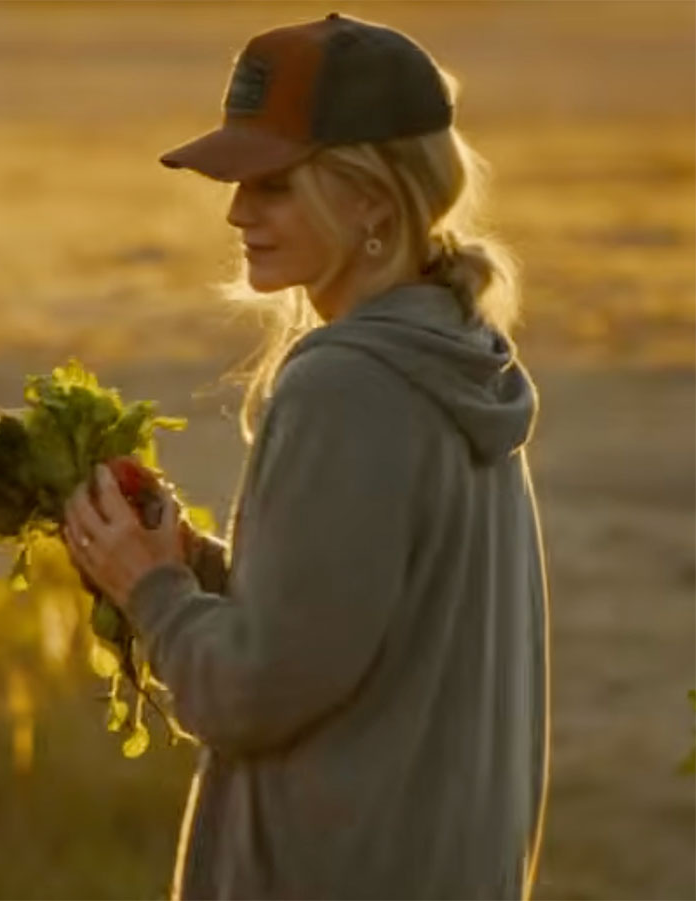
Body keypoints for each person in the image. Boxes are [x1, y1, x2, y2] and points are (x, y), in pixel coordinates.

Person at [61, 13, 550, 900]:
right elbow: (350, 633)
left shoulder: (349, 387)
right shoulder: (452, 352)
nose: (237, 211)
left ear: (371, 196)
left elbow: (251, 691)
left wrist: (153, 592)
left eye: (274, 184)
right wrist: (189, 559)